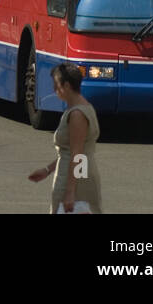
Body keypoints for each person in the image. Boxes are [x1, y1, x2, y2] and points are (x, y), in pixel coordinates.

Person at [28, 63, 102, 213]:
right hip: (78, 173)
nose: (54, 90)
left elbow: (77, 154)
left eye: (56, 85)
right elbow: (71, 151)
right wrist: (48, 170)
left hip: (73, 177)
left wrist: (70, 192)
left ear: (66, 86)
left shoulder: (77, 114)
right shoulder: (82, 108)